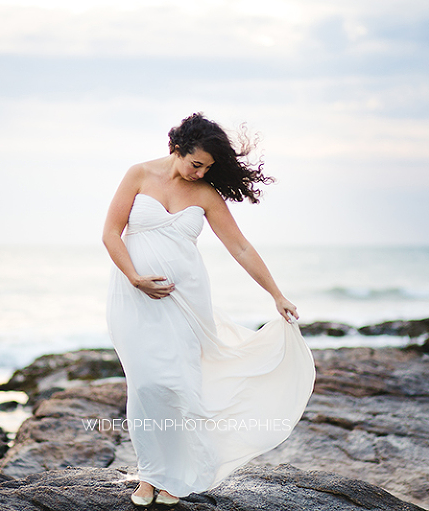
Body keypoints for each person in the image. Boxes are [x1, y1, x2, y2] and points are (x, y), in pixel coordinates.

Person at [102, 113, 315, 507]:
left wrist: (277, 294)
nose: (200, 173)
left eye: (208, 168)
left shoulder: (205, 195)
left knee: (179, 386)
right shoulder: (139, 175)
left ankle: (174, 479)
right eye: (196, 163)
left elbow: (241, 248)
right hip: (133, 298)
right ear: (177, 148)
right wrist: (134, 277)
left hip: (185, 303)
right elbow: (110, 233)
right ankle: (148, 475)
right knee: (147, 386)